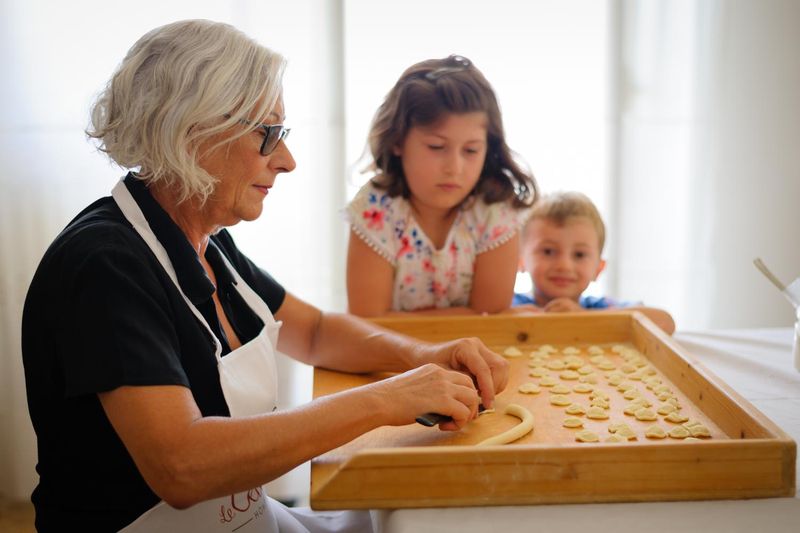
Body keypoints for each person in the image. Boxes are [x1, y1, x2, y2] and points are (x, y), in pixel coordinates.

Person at [20, 20, 509, 533]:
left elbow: (314, 332)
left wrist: (422, 355)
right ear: (191, 131)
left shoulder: (207, 241)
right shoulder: (105, 265)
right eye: (267, 133)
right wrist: (388, 399)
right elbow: (181, 466)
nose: (287, 161)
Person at [344, 54, 538, 317]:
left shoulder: (496, 211)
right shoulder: (374, 209)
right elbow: (368, 324)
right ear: (398, 141)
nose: (454, 168)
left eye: (471, 150)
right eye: (436, 147)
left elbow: (490, 321)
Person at [513, 191, 676, 334]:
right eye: (548, 251)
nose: (564, 265)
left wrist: (584, 317)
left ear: (599, 268)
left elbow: (665, 322)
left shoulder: (599, 307)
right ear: (520, 260)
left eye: (579, 254)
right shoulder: (512, 306)